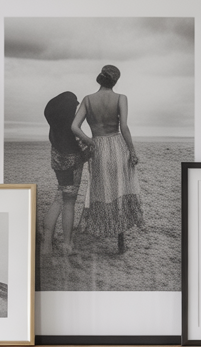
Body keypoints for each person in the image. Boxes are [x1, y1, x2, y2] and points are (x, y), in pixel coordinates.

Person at [70, 64, 144, 253]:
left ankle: (100, 229)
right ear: (115, 81)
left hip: (99, 148)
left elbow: (74, 127)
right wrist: (132, 152)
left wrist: (90, 141)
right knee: (120, 187)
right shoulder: (121, 98)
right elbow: (124, 128)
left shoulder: (87, 100)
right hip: (117, 145)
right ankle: (121, 241)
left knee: (102, 189)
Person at [42, 91, 86, 255]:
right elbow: (85, 151)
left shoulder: (55, 130)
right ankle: (67, 245)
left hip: (59, 168)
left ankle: (47, 245)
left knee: (58, 200)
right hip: (72, 169)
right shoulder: (72, 131)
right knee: (67, 203)